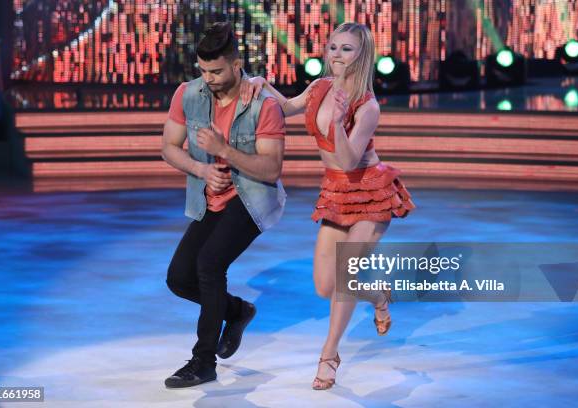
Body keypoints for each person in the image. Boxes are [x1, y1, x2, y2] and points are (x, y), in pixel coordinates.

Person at [241, 22, 415, 390]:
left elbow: (351, 161)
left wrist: (337, 121)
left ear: (362, 55)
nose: (336, 54)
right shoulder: (319, 87)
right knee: (325, 285)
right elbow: (286, 107)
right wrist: (261, 84)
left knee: (347, 271)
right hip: (336, 192)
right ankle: (379, 296)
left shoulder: (367, 106)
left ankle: (329, 355)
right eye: (333, 47)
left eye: (346, 48)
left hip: (369, 191)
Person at [161, 22, 287, 388]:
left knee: (209, 264)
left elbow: (271, 168)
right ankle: (237, 310)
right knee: (179, 278)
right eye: (203, 70)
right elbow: (169, 147)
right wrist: (201, 166)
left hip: (251, 198)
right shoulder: (188, 94)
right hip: (208, 197)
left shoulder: (264, 106)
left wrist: (224, 152)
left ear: (236, 64)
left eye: (216, 71)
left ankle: (203, 361)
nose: (208, 78)